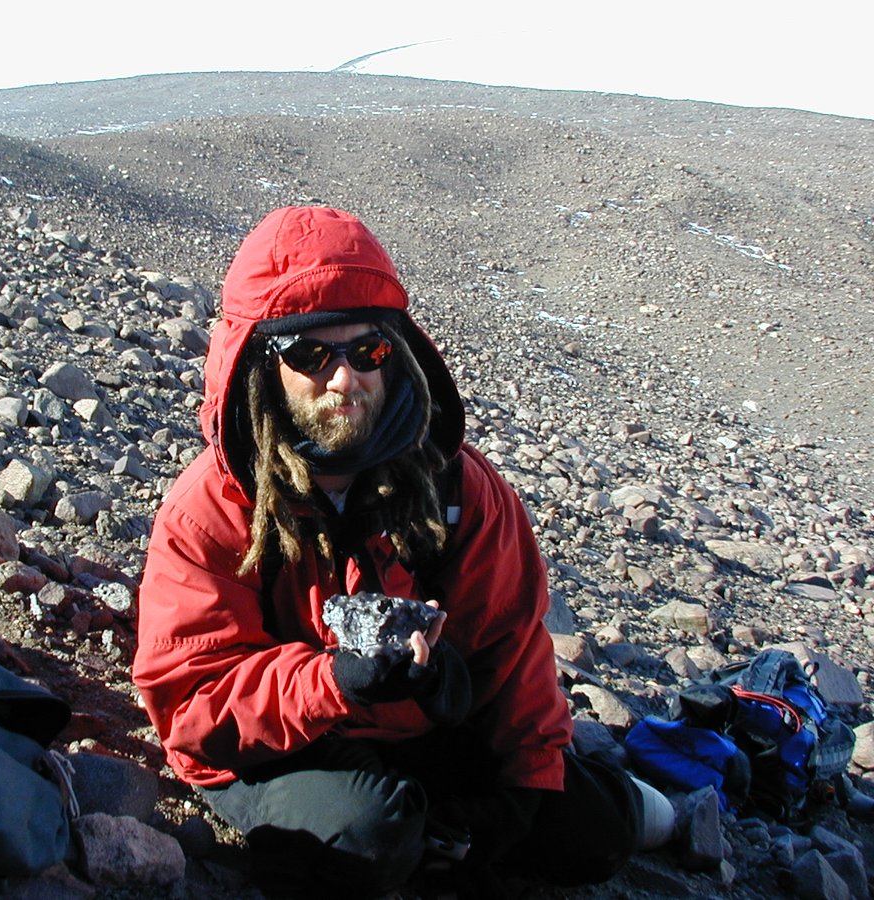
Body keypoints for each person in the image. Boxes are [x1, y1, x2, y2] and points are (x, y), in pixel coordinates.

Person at [132, 206, 672, 895]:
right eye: (309, 353)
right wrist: (331, 683)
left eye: (369, 351)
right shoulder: (213, 506)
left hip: (420, 735)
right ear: (258, 361)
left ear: (398, 350)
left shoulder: (455, 486)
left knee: (589, 834)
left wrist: (521, 790)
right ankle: (413, 833)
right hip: (279, 749)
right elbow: (192, 702)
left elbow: (513, 651)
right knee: (364, 834)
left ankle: (653, 807)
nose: (344, 378)